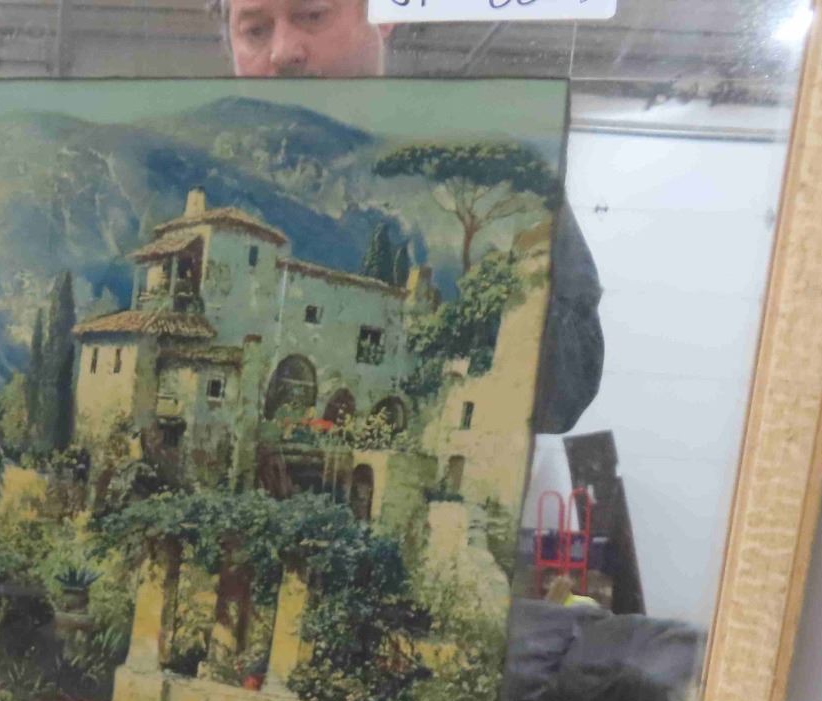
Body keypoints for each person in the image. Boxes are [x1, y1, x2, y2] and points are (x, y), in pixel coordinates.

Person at [209, 0, 606, 435]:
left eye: (313, 14)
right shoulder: (204, 167)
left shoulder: (495, 171)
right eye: (255, 30)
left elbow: (568, 391)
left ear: (383, 14)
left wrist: (505, 284)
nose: (283, 51)